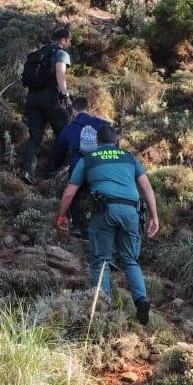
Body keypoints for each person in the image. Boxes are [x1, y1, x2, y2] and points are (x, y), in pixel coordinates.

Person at [57, 127, 160, 324]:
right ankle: (141, 300)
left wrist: (62, 216)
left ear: (97, 141)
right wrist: (154, 217)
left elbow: (70, 193)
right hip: (131, 212)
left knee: (101, 261)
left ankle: (102, 308)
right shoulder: (129, 157)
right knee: (130, 260)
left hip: (104, 211)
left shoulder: (88, 159)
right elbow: (147, 187)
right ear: (117, 140)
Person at [48, 96, 113, 236]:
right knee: (98, 195)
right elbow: (113, 138)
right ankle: (94, 226)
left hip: (77, 165)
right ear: (87, 108)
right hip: (98, 167)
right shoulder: (101, 123)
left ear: (73, 110)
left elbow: (59, 150)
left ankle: (77, 226)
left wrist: (53, 168)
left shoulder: (69, 128)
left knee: (74, 195)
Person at [20, 26, 72, 184]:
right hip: (50, 97)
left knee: (35, 137)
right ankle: (53, 170)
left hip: (32, 97)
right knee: (63, 133)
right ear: (63, 40)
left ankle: (27, 171)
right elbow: (60, 74)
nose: (70, 43)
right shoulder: (61, 53)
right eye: (69, 40)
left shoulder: (40, 53)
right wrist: (66, 96)